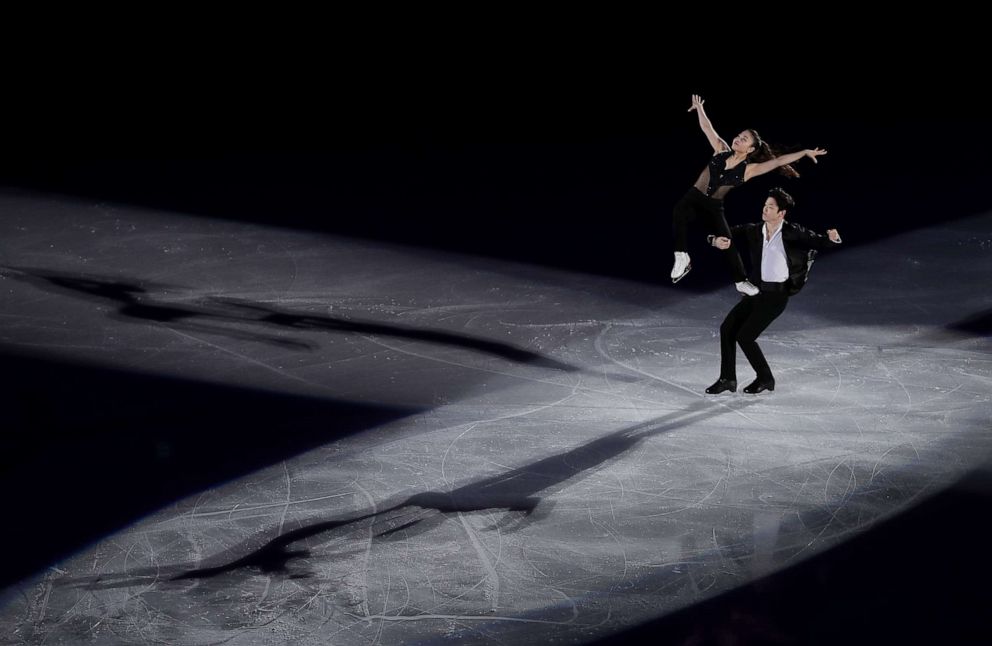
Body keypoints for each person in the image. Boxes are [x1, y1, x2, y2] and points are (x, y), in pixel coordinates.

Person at [671, 94, 827, 296]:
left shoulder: (749, 170)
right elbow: (707, 128)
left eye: (744, 139)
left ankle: (740, 280)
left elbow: (778, 162)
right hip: (694, 196)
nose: (738, 138)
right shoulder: (721, 150)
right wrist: (700, 108)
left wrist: (805, 152)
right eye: (738, 135)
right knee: (679, 211)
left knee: (727, 242)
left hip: (714, 206)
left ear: (750, 149)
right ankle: (682, 256)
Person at [704, 187, 841, 394]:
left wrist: (832, 238)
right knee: (727, 329)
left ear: (782, 213)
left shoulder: (792, 231)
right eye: (765, 206)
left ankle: (766, 378)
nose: (765, 210)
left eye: (771, 207)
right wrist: (714, 240)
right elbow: (728, 233)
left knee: (745, 336)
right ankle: (727, 379)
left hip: (776, 297)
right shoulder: (755, 230)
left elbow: (819, 241)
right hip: (755, 293)